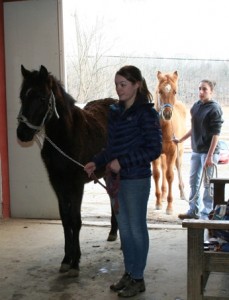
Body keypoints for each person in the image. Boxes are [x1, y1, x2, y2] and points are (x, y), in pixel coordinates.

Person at [84, 65, 162, 297]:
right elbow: (111, 148)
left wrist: (123, 162)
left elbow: (154, 149)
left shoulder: (147, 114)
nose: (119, 89)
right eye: (117, 84)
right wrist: (96, 162)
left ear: (137, 84)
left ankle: (138, 278)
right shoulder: (115, 112)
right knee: (126, 232)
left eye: (123, 84)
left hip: (136, 180)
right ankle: (129, 273)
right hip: (115, 179)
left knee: (137, 229)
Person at [174, 79, 223, 220]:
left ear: (211, 92)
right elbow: (194, 128)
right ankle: (193, 210)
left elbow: (216, 134)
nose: (201, 92)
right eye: (199, 88)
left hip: (209, 151)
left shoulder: (215, 108)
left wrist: (210, 156)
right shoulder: (196, 106)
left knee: (208, 184)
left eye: (204, 89)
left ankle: (206, 214)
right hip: (196, 150)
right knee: (193, 181)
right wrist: (181, 139)